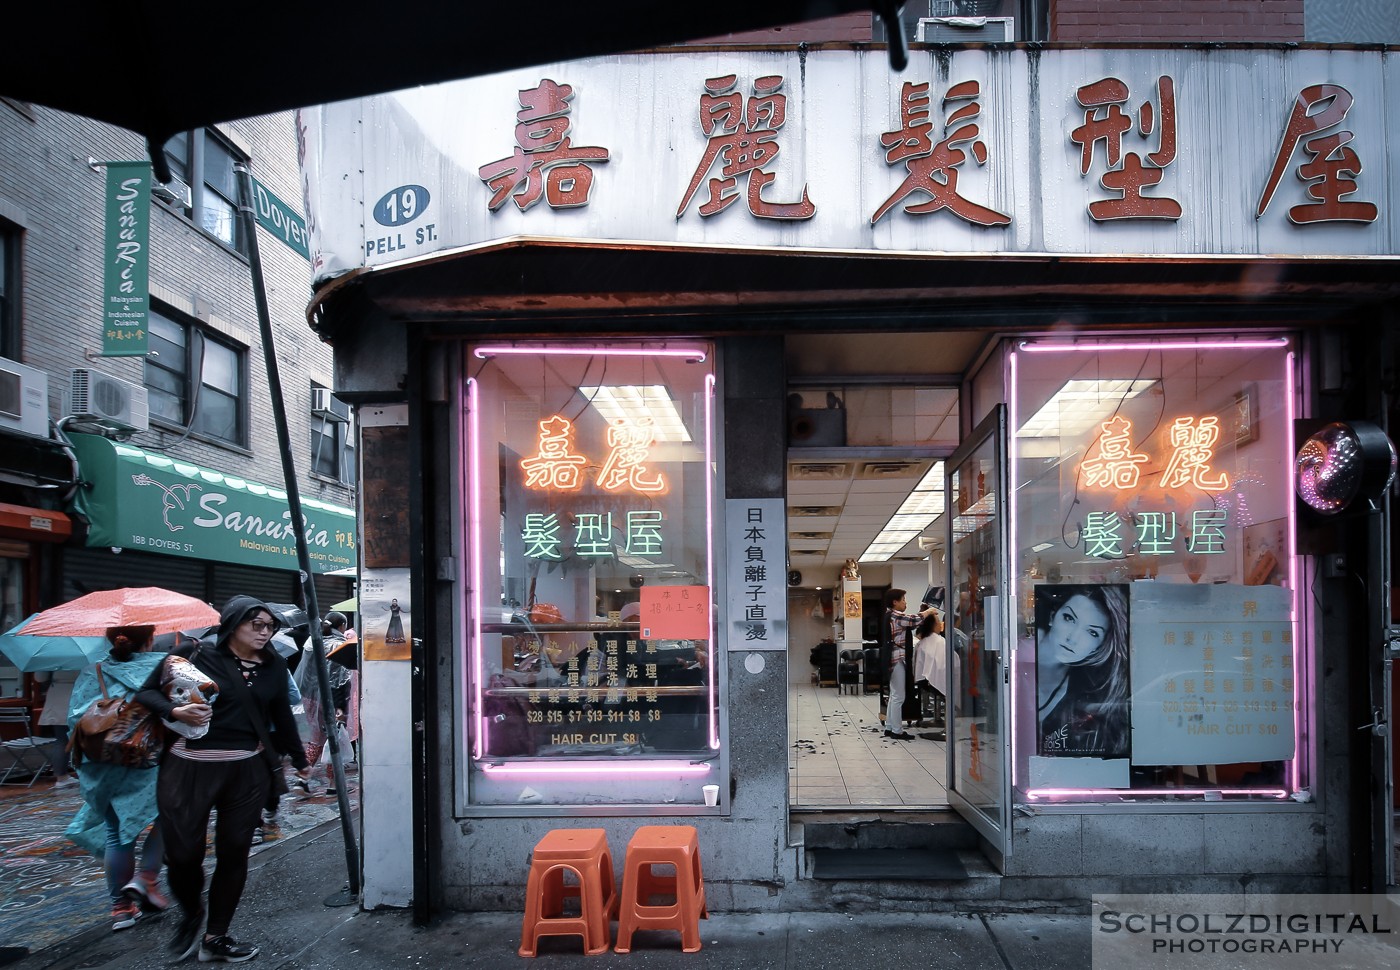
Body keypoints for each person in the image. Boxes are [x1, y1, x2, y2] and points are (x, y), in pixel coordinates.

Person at [135, 596, 311, 963]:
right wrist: (176, 709)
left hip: (246, 769)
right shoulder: (194, 653)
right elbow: (146, 692)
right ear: (233, 623)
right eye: (256, 625)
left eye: (270, 626)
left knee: (234, 852)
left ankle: (217, 935)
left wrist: (299, 759)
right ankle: (192, 912)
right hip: (188, 767)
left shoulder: (275, 665)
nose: (265, 632)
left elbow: (280, 712)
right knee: (183, 855)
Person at [65, 625, 170, 932]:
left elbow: (75, 719)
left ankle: (121, 909)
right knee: (169, 819)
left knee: (118, 835)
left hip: (103, 762)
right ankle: (146, 878)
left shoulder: (92, 671)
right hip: (148, 760)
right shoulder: (162, 667)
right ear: (150, 638)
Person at [1035, 585, 1131, 758]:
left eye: (1092, 632)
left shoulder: (1083, 693)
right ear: (1052, 616)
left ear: (1099, 647)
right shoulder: (1016, 658)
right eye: (1069, 618)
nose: (1072, 638)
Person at [878, 589, 938, 741]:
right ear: (895, 602)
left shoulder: (889, 616)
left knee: (894, 695)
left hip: (893, 659)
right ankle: (897, 731)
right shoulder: (894, 615)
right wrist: (928, 612)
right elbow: (913, 620)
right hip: (897, 659)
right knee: (899, 696)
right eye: (903, 599)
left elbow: (910, 622)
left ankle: (890, 727)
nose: (906, 602)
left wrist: (924, 613)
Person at [36, 668, 78, 789]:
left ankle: (61, 777)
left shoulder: (50, 653)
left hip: (57, 696)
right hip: (79, 692)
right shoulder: (83, 652)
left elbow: (40, 677)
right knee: (86, 738)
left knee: (61, 740)